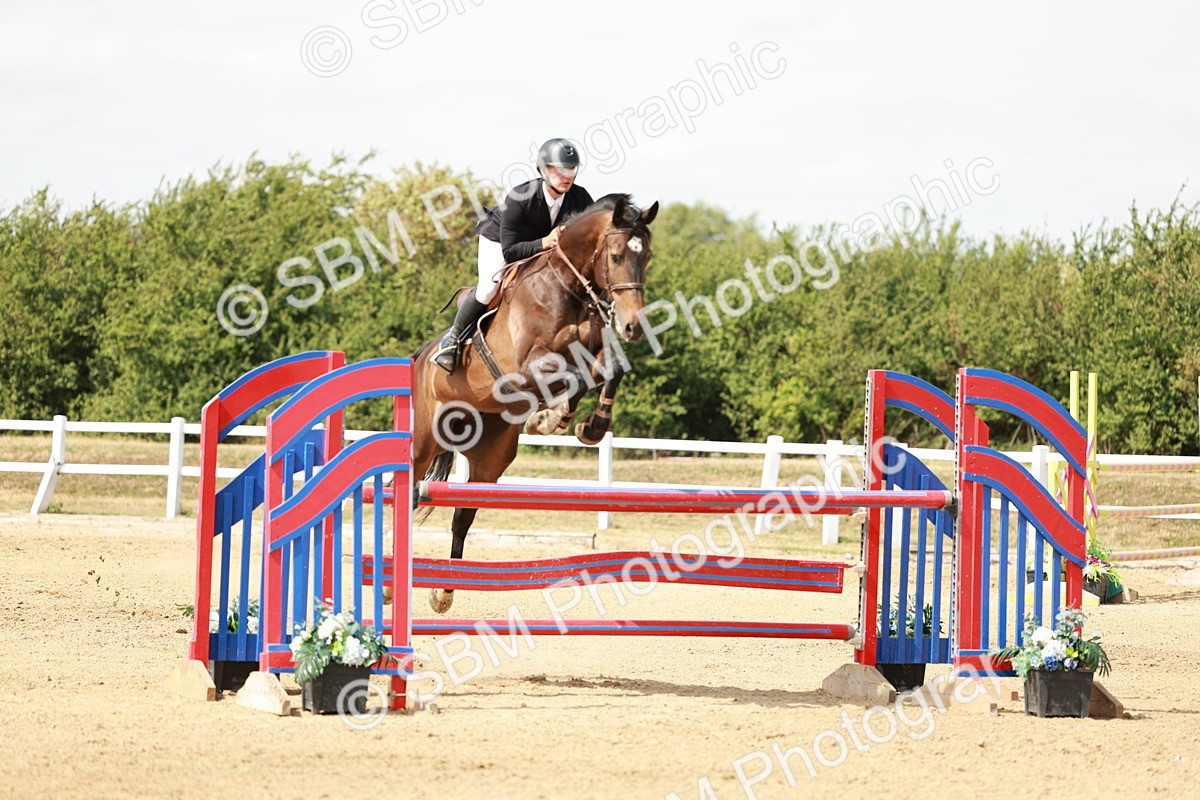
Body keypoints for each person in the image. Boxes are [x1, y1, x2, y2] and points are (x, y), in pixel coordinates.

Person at [432, 138, 595, 373]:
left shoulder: (580, 199)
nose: (567, 175)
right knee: (490, 286)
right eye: (560, 170)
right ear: (544, 170)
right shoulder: (520, 197)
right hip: (500, 241)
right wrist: (544, 242)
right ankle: (453, 340)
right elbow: (510, 251)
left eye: (571, 169)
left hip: (543, 246)